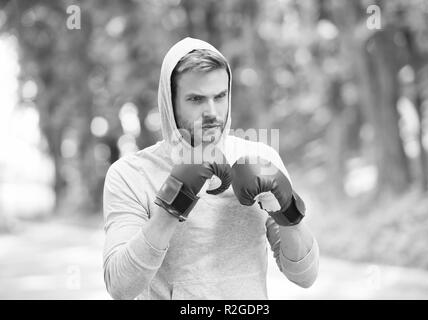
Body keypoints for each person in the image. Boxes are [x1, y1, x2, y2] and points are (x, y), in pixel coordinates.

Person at [102, 37, 319, 300]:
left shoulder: (260, 157)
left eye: (220, 96)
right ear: (170, 102)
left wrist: (288, 213)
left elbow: (305, 276)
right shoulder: (130, 174)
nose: (212, 112)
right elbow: (120, 287)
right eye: (196, 99)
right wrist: (174, 199)